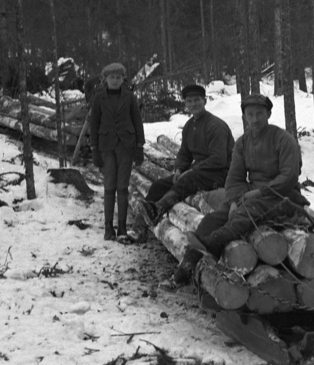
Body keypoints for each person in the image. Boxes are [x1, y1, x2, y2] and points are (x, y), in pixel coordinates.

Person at [171, 93, 307, 287]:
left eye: (259, 114)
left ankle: (216, 243)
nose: (255, 119)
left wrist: (258, 193)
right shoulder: (243, 142)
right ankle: (185, 268)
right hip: (250, 195)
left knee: (247, 211)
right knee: (213, 219)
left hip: (283, 196)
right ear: (244, 117)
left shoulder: (284, 139)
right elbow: (234, 178)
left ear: (268, 114)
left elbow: (289, 176)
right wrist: (234, 201)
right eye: (250, 115)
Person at [141, 83, 235, 228]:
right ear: (185, 104)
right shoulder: (189, 126)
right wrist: (179, 169)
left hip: (220, 173)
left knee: (189, 179)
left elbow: (219, 159)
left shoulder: (215, 125)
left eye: (197, 100)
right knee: (159, 186)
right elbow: (184, 153)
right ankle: (140, 226)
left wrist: (191, 171)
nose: (193, 104)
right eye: (189, 101)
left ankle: (158, 208)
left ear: (205, 101)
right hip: (199, 172)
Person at [87, 62, 145, 242]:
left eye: (118, 77)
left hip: (126, 145)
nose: (115, 80)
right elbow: (94, 123)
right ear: (105, 79)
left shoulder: (129, 97)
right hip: (106, 146)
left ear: (123, 79)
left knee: (122, 186)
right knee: (109, 186)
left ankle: (121, 226)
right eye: (111, 77)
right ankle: (108, 227)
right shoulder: (98, 98)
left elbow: (137, 120)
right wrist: (94, 149)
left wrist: (139, 146)